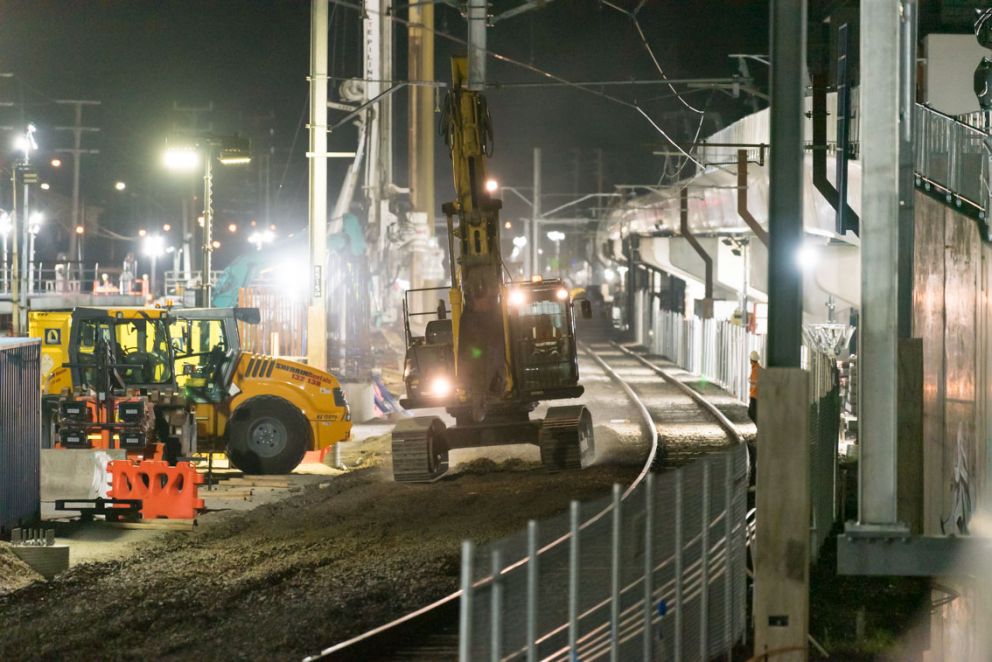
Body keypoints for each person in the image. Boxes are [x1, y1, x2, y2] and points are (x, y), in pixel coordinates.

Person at [748, 350, 761, 424]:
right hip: (755, 395)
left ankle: (760, 428)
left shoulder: (755, 369)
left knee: (752, 413)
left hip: (755, 395)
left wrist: (751, 381)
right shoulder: (757, 368)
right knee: (752, 413)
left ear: (751, 360)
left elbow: (755, 381)